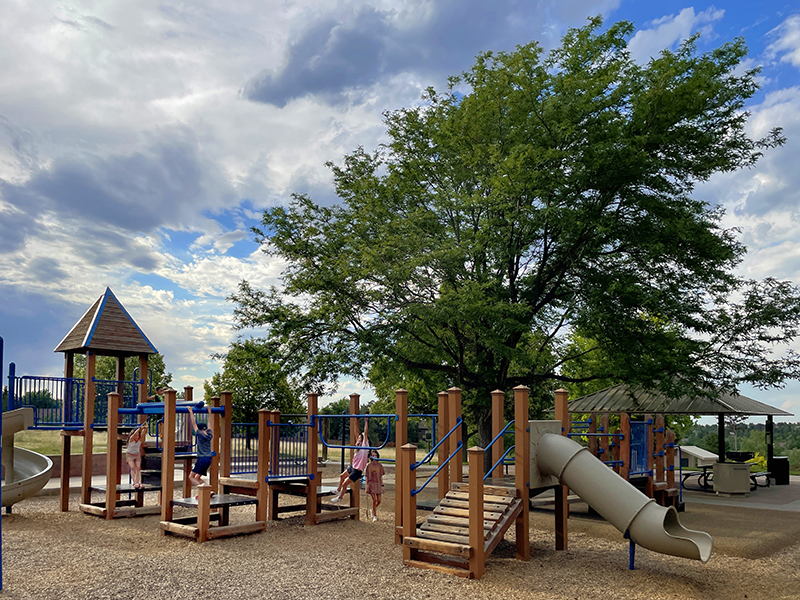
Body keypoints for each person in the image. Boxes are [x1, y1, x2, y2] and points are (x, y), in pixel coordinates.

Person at [331, 418, 369, 503]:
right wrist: (355, 421)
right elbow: (356, 433)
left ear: (363, 441)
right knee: (342, 476)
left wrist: (366, 420)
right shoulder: (357, 445)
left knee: (345, 483)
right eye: (358, 439)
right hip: (353, 467)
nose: (358, 440)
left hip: (357, 471)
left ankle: (340, 498)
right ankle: (338, 489)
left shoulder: (365, 446)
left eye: (360, 439)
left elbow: (365, 433)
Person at [186, 405, 214, 491]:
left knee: (191, 477)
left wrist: (191, 411)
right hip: (209, 459)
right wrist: (210, 412)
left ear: (200, 429)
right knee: (198, 477)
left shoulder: (199, 434)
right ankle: (210, 491)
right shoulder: (209, 434)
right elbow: (210, 424)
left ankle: (205, 493)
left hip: (202, 459)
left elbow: (193, 423)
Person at [364, 449, 385, 522]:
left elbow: (381, 476)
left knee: (379, 500)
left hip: (378, 484)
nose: (374, 456)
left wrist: (382, 486)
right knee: (374, 500)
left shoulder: (380, 466)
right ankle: (375, 515)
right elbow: (366, 477)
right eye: (373, 455)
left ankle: (373, 510)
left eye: (375, 455)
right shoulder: (369, 466)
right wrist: (366, 486)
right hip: (371, 484)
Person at [125, 424, 147, 489]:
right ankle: (135, 482)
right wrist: (139, 428)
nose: (137, 437)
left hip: (137, 454)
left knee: (138, 468)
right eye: (136, 436)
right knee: (133, 467)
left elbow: (143, 434)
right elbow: (134, 434)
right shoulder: (131, 440)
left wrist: (144, 429)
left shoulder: (140, 440)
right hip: (130, 455)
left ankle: (139, 482)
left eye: (138, 435)